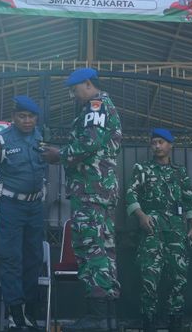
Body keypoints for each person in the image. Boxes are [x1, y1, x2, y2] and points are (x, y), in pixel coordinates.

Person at [40, 67, 122, 329]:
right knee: (104, 250)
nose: (74, 95)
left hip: (91, 190)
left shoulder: (96, 107)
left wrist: (59, 154)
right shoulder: (101, 106)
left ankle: (97, 318)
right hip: (99, 190)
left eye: (75, 90)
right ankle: (107, 317)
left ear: (88, 84)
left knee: (91, 249)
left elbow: (89, 143)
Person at [0, 96, 47, 331]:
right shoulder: (1, 140)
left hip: (35, 206)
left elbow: (44, 167)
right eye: (22, 116)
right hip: (10, 206)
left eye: (31, 117)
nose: (27, 121)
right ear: (14, 117)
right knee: (11, 259)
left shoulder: (41, 136)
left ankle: (30, 310)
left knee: (34, 258)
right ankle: (15, 313)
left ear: (36, 118)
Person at [126, 128, 192, 332]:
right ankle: (148, 322)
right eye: (154, 142)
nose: (157, 146)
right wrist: (141, 217)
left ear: (170, 145)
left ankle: (175, 321)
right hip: (152, 229)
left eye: (161, 142)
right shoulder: (142, 168)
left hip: (176, 229)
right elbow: (131, 195)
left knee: (179, 277)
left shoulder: (180, 171)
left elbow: (189, 200)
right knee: (149, 277)